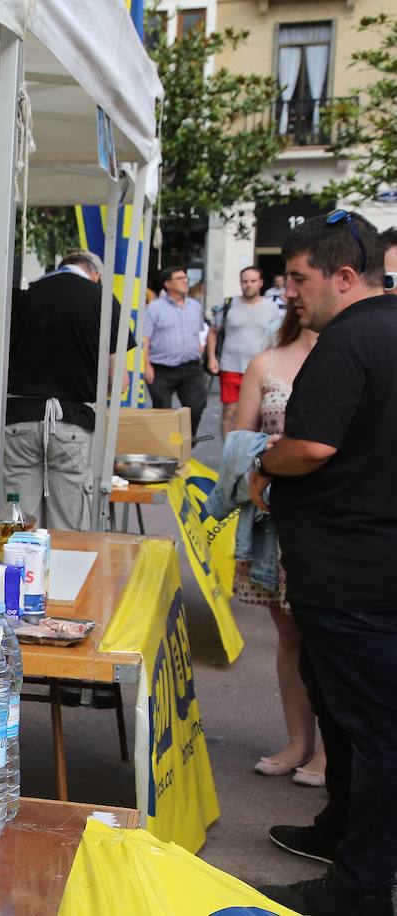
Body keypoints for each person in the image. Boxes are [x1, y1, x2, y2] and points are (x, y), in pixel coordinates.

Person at [250, 211, 397, 916]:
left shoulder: (347, 341)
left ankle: (362, 885)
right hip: (361, 565)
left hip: (350, 572)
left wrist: (262, 464)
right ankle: (340, 832)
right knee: (343, 709)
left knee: (371, 729)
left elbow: (309, 447)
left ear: (344, 276)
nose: (290, 293)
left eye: (300, 278)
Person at [232, 303, 326, 787]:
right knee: (290, 637)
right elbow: (238, 438)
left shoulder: (351, 355)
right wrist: (262, 456)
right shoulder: (266, 363)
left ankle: (333, 753)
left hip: (330, 519)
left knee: (328, 639)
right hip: (272, 522)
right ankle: (298, 741)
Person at [4, 250, 133, 531]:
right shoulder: (102, 299)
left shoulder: (19, 295)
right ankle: (64, 571)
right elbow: (119, 381)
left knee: (17, 520)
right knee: (70, 522)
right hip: (73, 423)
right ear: (94, 275)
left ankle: (18, 573)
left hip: (18, 420)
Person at [206, 266, 283, 437]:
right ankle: (228, 455)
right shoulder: (228, 304)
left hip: (259, 370)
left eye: (253, 281)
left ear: (261, 283)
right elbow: (213, 332)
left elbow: (276, 339)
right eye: (245, 281)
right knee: (230, 412)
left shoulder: (271, 307)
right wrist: (212, 358)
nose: (248, 285)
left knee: (256, 415)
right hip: (231, 366)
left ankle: (248, 455)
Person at [141, 265, 208, 436]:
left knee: (197, 406)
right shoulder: (155, 308)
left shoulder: (195, 306)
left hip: (191, 367)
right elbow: (144, 338)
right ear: (168, 284)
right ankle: (165, 449)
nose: (185, 281)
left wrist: (201, 346)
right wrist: (146, 365)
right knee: (163, 412)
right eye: (179, 278)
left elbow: (201, 330)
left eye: (186, 277)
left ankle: (186, 443)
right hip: (161, 369)